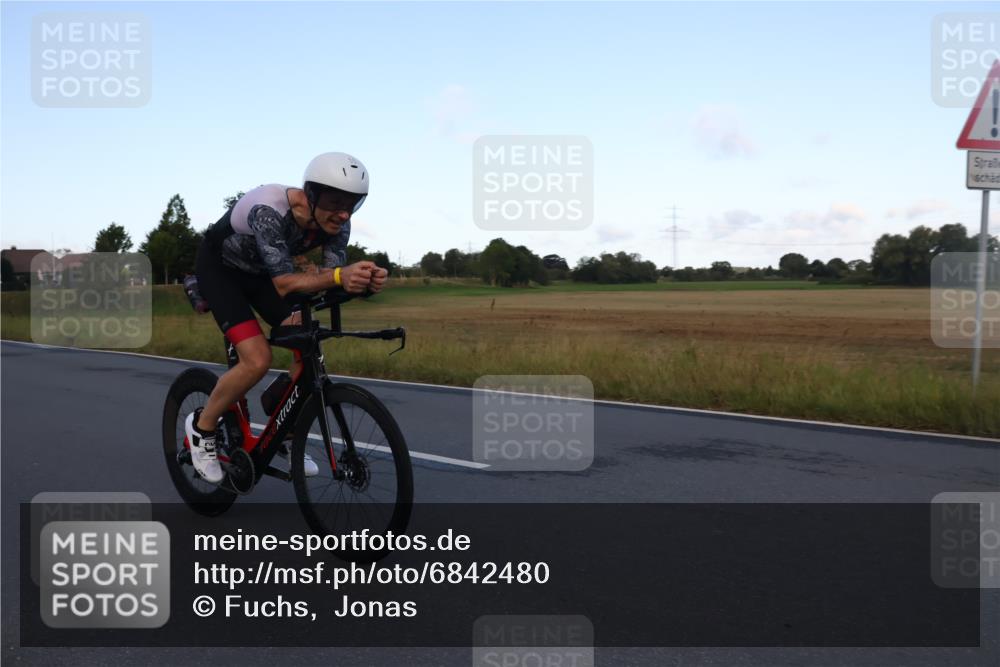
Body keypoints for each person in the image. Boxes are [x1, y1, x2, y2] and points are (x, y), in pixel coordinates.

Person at [185, 152, 388, 483]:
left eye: (352, 204)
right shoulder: (269, 209)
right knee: (257, 360)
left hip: (261, 274)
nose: (343, 213)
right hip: (221, 271)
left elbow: (327, 277)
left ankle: (284, 426)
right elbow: (285, 283)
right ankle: (201, 428)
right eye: (335, 201)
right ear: (310, 194)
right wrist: (339, 277)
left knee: (306, 338)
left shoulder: (337, 223)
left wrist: (363, 284)